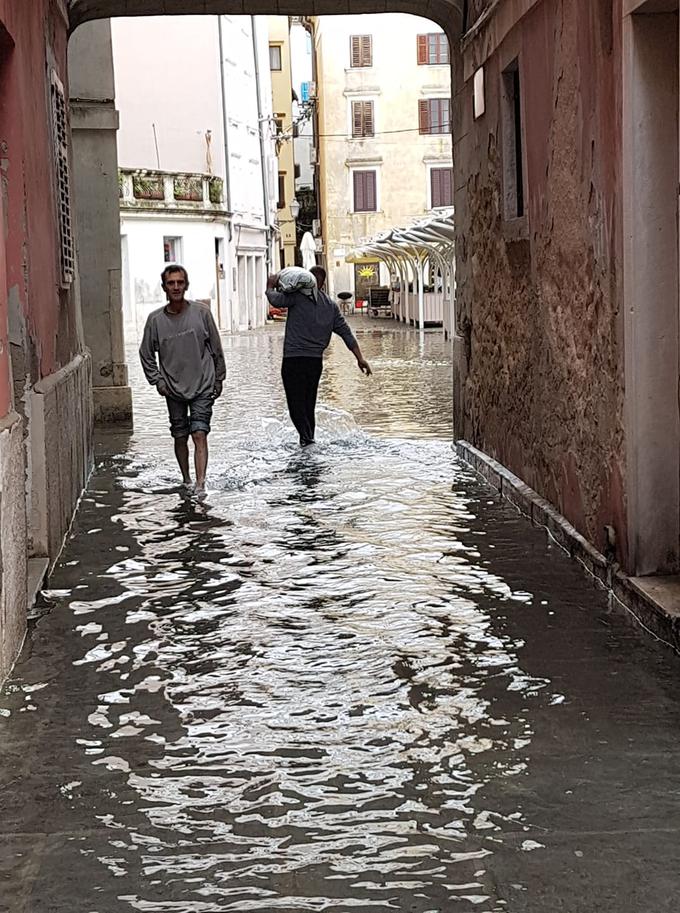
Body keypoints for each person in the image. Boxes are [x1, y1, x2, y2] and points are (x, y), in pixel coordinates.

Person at [139, 264, 226, 497]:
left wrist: (219, 379)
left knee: (199, 432)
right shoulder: (155, 320)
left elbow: (216, 348)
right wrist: (157, 380)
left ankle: (200, 483)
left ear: (186, 285)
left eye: (180, 282)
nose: (176, 287)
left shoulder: (202, 313)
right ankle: (186, 478)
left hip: (203, 383)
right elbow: (146, 353)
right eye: (171, 283)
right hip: (172, 387)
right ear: (164, 287)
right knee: (180, 434)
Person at [266, 265, 372, 447]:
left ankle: (306, 439)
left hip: (293, 359)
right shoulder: (330, 306)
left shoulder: (297, 297)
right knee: (309, 404)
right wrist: (360, 359)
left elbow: (276, 300)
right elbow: (347, 334)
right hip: (315, 363)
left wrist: (270, 285)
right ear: (322, 285)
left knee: (295, 404)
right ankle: (308, 439)